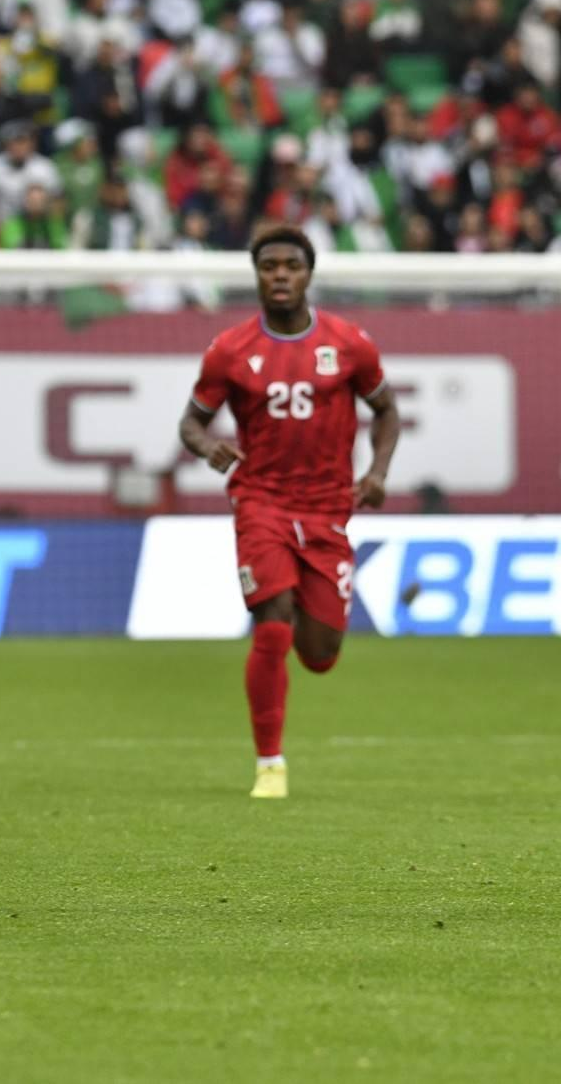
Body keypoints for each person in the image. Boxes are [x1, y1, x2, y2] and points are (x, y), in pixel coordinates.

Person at [176, 227, 401, 799]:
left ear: (308, 274)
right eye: (269, 266)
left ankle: (300, 591)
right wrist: (207, 447)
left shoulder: (349, 343)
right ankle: (270, 764)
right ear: (257, 274)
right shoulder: (230, 349)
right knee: (272, 621)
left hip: (328, 508)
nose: (280, 275)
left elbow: (387, 411)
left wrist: (377, 473)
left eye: (291, 266)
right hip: (261, 501)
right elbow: (191, 422)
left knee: (321, 655)